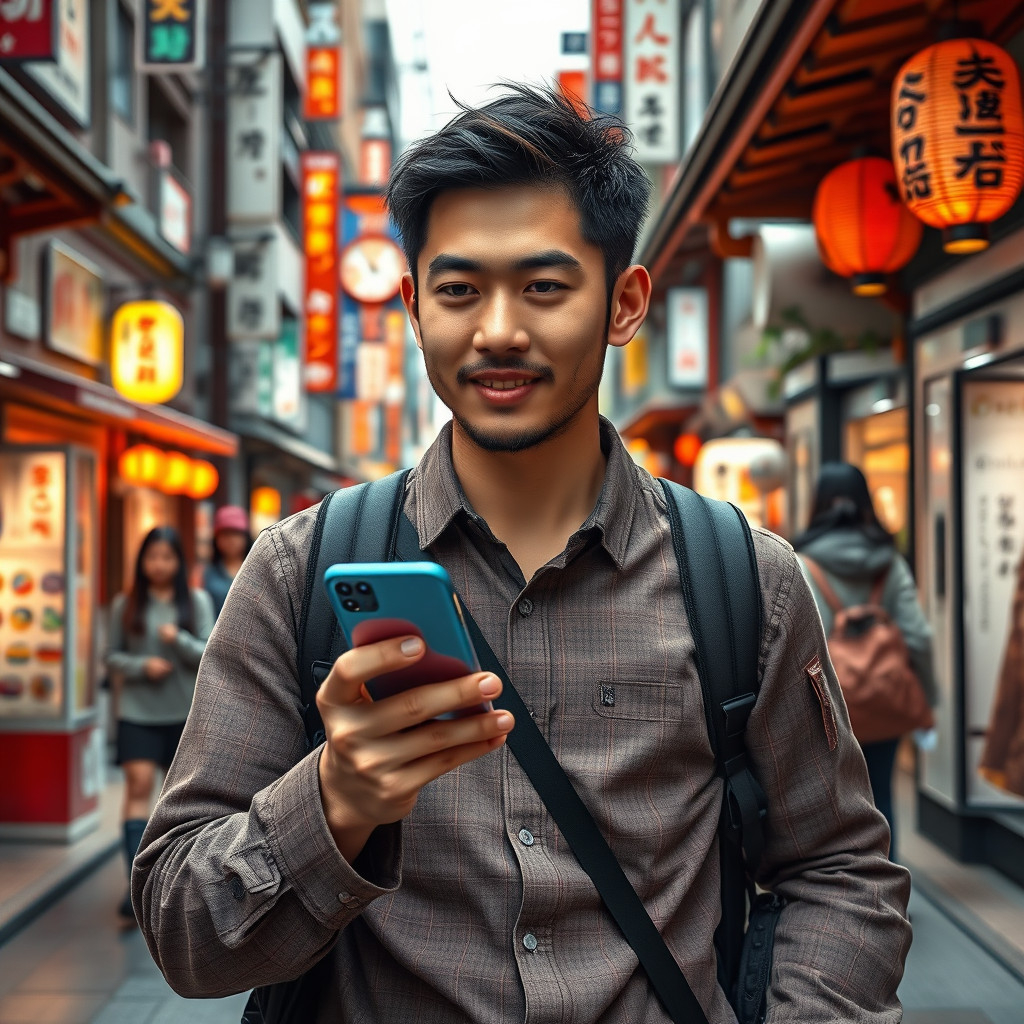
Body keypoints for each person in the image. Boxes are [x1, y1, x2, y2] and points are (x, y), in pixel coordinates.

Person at [134, 86, 911, 1022]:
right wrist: (336, 801)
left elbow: (839, 866)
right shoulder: (299, 571)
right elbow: (181, 923)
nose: (498, 329)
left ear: (624, 302)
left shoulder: (745, 580)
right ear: (414, 308)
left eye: (544, 287)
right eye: (459, 290)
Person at [794, 462, 937, 861]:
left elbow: (797, 640)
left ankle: (848, 900)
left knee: (833, 802)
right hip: (884, 698)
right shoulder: (889, 563)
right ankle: (891, 895)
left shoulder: (801, 563)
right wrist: (927, 699)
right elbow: (919, 636)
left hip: (825, 705)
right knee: (882, 795)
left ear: (817, 502)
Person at [107, 526, 213, 920]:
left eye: (166, 557)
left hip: (184, 713)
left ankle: (169, 889)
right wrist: (141, 666)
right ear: (142, 561)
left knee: (176, 800)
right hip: (137, 711)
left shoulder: (198, 601)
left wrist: (178, 640)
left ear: (178, 562)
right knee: (137, 788)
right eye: (152, 557)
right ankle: (133, 887)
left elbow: (209, 652)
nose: (159, 564)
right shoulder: (126, 604)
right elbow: (110, 656)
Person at [202, 505, 254, 619]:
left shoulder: (257, 571)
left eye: (235, 533)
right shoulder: (206, 573)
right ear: (216, 538)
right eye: (225, 534)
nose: (231, 540)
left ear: (245, 536)